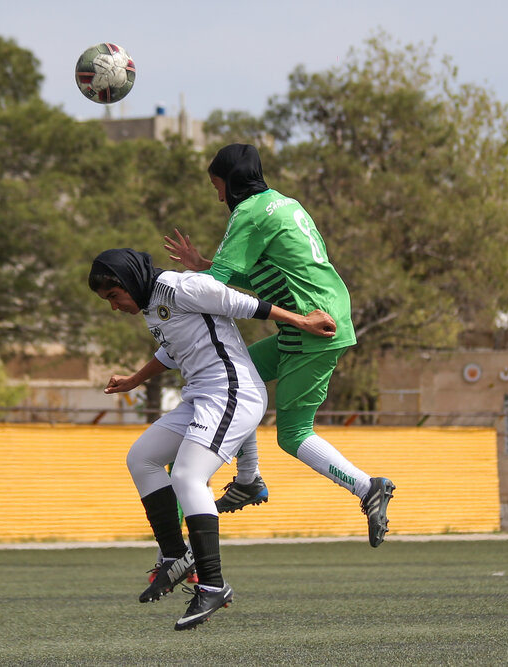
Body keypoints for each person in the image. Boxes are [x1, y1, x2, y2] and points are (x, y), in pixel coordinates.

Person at [89, 248, 336, 630]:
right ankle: (175, 555)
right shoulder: (153, 305)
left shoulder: (177, 286)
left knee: (187, 476)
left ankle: (213, 584)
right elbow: (172, 351)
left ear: (127, 281)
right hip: (202, 396)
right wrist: (134, 380)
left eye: (113, 296)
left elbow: (237, 301)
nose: (114, 306)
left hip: (233, 393)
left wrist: (302, 321)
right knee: (142, 457)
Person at [165, 143, 396, 548]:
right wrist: (202, 265)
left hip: (313, 327)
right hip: (318, 317)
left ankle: (367, 488)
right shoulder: (283, 204)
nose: (218, 195)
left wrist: (161, 289)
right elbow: (271, 273)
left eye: (217, 185)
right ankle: (248, 481)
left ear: (231, 182)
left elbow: (215, 289)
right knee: (233, 376)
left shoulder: (248, 213)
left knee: (293, 434)